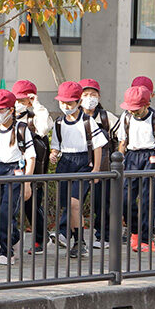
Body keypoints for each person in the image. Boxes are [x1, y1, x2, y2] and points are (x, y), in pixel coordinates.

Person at [49, 82, 108, 259]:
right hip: (65, 163)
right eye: (62, 103)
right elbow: (56, 145)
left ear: (78, 102)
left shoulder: (87, 121)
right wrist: (54, 154)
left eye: (69, 103)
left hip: (83, 162)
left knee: (75, 204)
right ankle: (76, 240)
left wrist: (96, 169)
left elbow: (98, 146)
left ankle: (80, 241)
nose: (65, 107)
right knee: (68, 205)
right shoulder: (59, 122)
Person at [0, 89, 36, 265]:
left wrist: (27, 183)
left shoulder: (21, 129)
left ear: (11, 110)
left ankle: (6, 250)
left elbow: (31, 157)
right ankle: (15, 236)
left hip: (15, 173)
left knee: (5, 212)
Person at [113, 86, 155, 251]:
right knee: (125, 199)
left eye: (137, 109)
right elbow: (122, 142)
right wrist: (118, 163)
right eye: (130, 109)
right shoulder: (126, 117)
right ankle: (135, 231)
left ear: (146, 105)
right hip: (131, 157)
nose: (133, 112)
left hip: (150, 158)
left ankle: (146, 239)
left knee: (148, 201)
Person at [12, 79, 53, 252]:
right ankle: (10, 238)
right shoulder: (7, 116)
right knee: (9, 205)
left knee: (32, 206)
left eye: (24, 100)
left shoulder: (35, 118)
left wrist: (37, 105)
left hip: (32, 168)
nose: (19, 104)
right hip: (11, 168)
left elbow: (44, 128)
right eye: (17, 100)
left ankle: (41, 238)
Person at [78, 79, 118, 250]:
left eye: (93, 95)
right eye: (85, 95)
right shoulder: (74, 116)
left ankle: (103, 235)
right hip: (80, 166)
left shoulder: (106, 117)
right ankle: (74, 237)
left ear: (99, 96)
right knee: (75, 202)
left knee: (102, 203)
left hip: (102, 167)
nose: (89, 98)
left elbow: (120, 136)